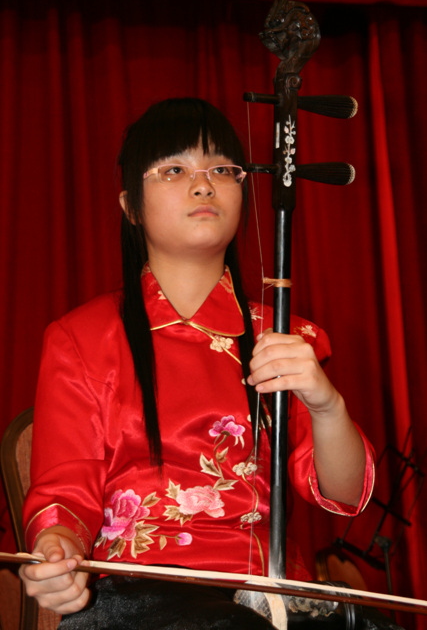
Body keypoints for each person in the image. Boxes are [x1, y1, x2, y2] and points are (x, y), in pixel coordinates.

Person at [20, 98, 374, 629]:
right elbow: (64, 499)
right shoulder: (81, 337)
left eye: (223, 170)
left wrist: (328, 405)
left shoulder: (285, 335)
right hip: (138, 599)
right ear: (130, 205)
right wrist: (57, 550)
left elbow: (344, 496)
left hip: (269, 598)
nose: (204, 185)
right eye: (174, 170)